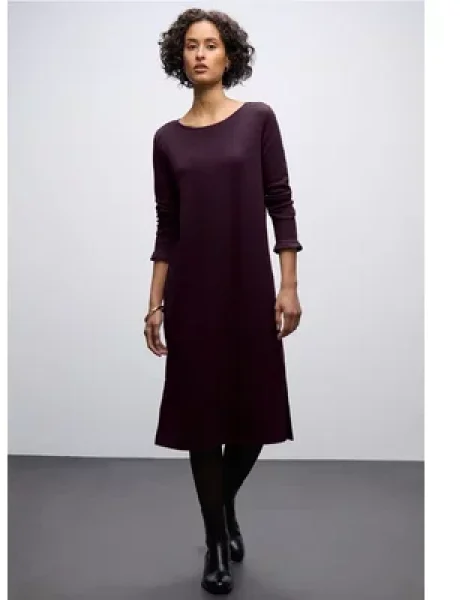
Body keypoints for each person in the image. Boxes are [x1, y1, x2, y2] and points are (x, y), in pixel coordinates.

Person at [144, 8, 303, 595]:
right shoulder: (166, 139)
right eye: (191, 45)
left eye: (211, 44)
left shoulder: (258, 119)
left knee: (255, 418)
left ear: (229, 55)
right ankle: (215, 539)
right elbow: (167, 226)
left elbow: (280, 202)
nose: (200, 53)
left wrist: (288, 284)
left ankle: (223, 504)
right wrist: (154, 303)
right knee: (202, 423)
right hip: (192, 295)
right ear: (179, 58)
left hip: (248, 288)